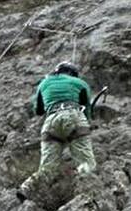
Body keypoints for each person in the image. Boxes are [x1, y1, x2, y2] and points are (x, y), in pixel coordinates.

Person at [17, 62, 96, 200]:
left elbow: (38, 110)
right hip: (73, 115)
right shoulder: (80, 83)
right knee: (85, 162)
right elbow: (87, 108)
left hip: (50, 122)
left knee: (48, 167)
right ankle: (86, 194)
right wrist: (87, 124)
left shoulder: (44, 83)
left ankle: (26, 189)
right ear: (72, 73)